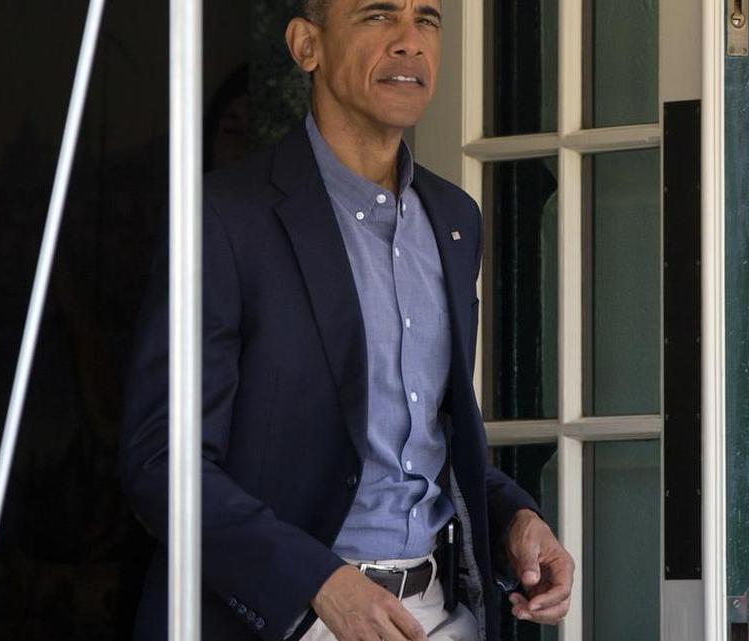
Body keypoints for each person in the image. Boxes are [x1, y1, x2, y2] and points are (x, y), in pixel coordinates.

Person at [119, 1, 575, 640]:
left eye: (427, 20)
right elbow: (162, 463)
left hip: (439, 613)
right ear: (308, 46)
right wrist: (317, 583)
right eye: (378, 16)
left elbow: (417, 445)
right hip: (291, 620)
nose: (410, 43)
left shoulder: (454, 218)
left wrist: (514, 521)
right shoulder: (224, 218)